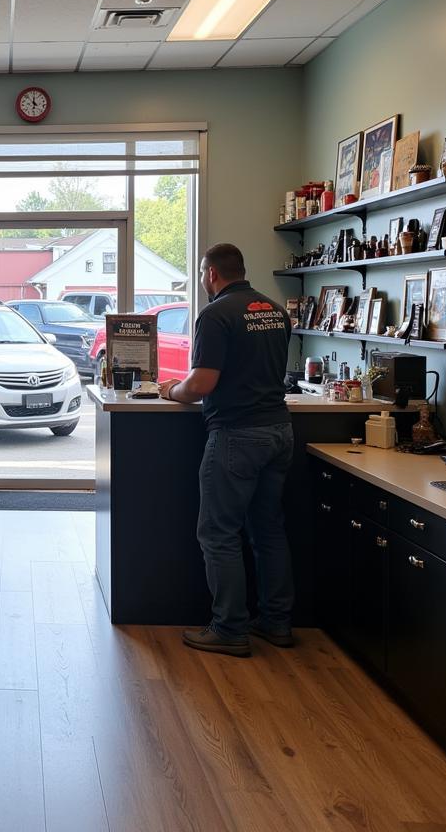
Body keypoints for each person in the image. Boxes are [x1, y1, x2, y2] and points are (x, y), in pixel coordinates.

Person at [158, 243, 294, 658]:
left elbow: (200, 384)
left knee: (218, 533)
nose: (202, 280)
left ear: (211, 274)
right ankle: (276, 622)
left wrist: (169, 391)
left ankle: (230, 628)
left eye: (201, 273)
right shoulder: (274, 310)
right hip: (279, 431)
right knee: (268, 530)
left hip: (237, 434)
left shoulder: (216, 314)